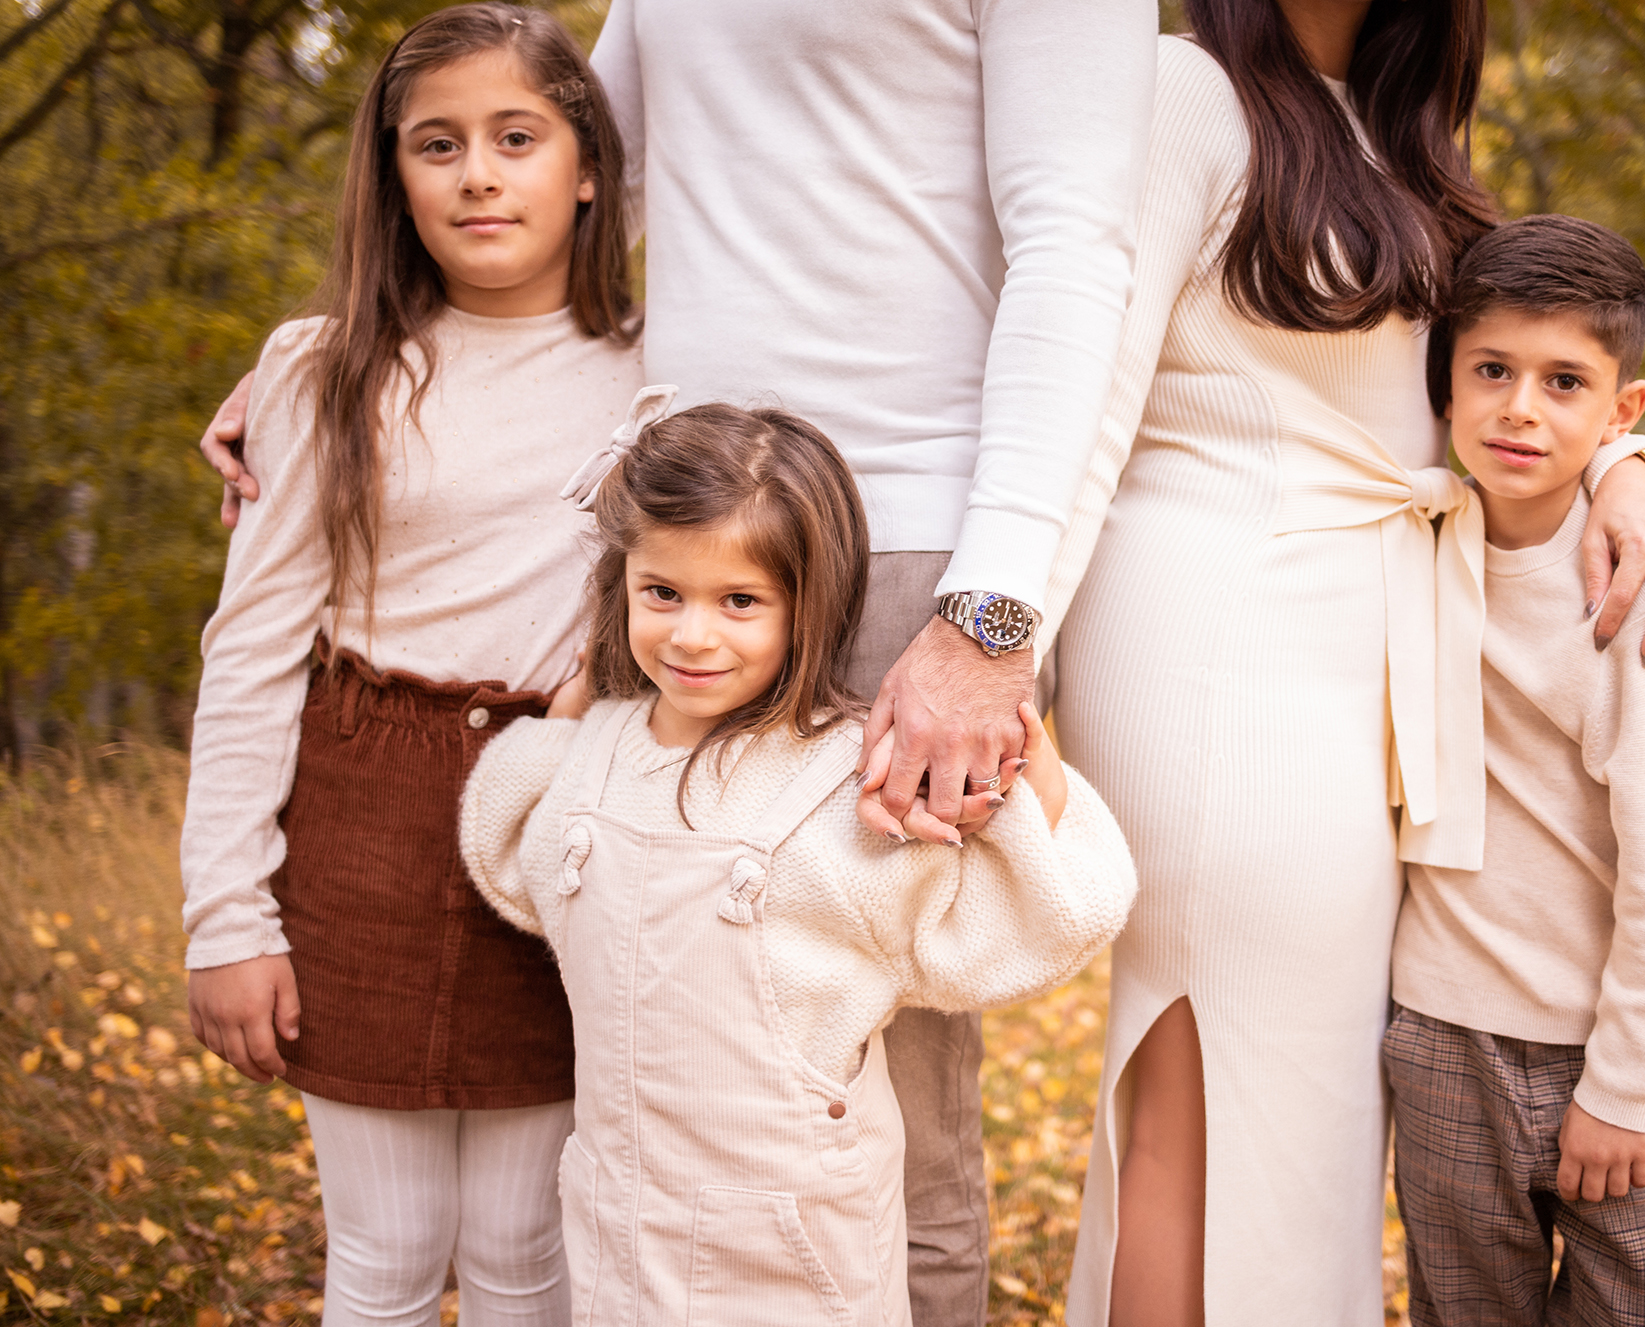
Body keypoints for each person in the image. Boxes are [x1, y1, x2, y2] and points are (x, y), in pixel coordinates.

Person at [197, 5, 1158, 1316]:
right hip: (673, 526)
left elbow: (1077, 251)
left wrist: (994, 616)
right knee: (654, 1063)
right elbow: (577, 173)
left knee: (880, 1108)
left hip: (900, 546)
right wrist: (335, 367)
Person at [1035, 2, 1645, 1323]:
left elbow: (1506, 384)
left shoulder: (1413, 139)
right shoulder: (1185, 92)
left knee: (1313, 1111)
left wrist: (1634, 471)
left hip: (1368, 663)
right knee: (1216, 1078)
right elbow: (1088, 384)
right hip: (1221, 639)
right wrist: (1002, 639)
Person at [457, 399, 1137, 1325]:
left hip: (795, 1257)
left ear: (806, 605)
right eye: (663, 593)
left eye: (740, 601)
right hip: (622, 1233)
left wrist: (1017, 737)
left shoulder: (846, 786)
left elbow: (1025, 918)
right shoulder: (597, 758)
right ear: (622, 586)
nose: (694, 635)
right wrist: (580, 698)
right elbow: (510, 843)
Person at [176, 7, 642, 1322]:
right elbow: (253, 647)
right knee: (385, 1245)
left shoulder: (667, 374)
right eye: (436, 144)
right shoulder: (328, 370)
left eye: (517, 137)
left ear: (588, 163)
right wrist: (227, 913)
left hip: (557, 822)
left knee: (519, 1239)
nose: (479, 173)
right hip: (362, 813)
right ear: (392, 175)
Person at [1387, 214, 1645, 1327]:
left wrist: (1626, 1087)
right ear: (1442, 381)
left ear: (1620, 409)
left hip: (1610, 1048)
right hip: (1440, 1038)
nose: (1520, 408)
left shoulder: (1643, 581)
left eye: (1564, 382)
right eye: (1490, 369)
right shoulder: (1407, 533)